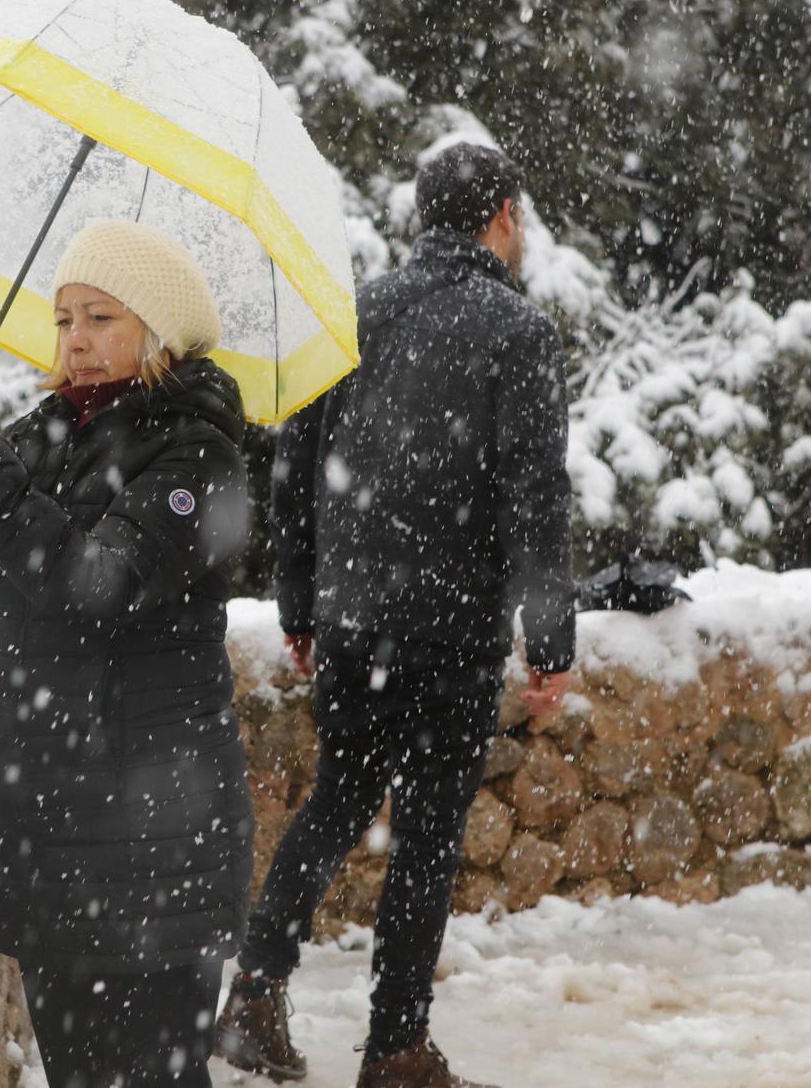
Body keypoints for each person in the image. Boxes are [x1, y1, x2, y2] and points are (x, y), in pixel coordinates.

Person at [0, 220, 255, 1086]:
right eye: (65, 318)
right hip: (52, 827)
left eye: (101, 317)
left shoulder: (196, 455)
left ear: (158, 330)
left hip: (155, 838)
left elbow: (94, 589)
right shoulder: (49, 435)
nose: (76, 339)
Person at [215, 143, 577, 1088]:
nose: (523, 233)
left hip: (353, 620)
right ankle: (395, 1048)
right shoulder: (518, 333)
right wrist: (550, 644)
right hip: (453, 629)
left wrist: (300, 602)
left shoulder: (354, 315)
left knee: (337, 798)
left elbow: (295, 470)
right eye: (521, 216)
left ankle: (255, 990)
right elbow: (536, 498)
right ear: (498, 214)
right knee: (425, 835)